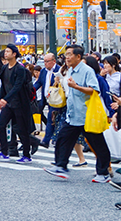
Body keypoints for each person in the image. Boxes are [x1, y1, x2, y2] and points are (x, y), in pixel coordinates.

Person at [45, 46, 112, 182]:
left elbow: (94, 90)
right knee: (63, 139)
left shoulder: (87, 71)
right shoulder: (70, 70)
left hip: (86, 115)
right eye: (66, 54)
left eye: (69, 54)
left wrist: (76, 87)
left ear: (78, 57)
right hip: (73, 115)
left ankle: (103, 172)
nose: (67, 57)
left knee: (98, 144)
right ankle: (60, 166)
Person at [0, 44, 35, 163]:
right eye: (5, 51)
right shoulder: (4, 68)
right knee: (1, 125)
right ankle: (4, 152)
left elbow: (17, 86)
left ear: (14, 54)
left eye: (8, 51)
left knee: (21, 129)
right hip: (9, 104)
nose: (5, 53)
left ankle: (26, 155)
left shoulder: (20, 69)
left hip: (20, 103)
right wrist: (0, 100)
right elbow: (3, 86)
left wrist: (5, 99)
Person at [39, 53, 60, 148]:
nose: (45, 63)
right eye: (44, 61)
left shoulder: (58, 70)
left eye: (47, 61)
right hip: (45, 98)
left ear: (53, 61)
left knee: (51, 119)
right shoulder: (43, 71)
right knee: (47, 117)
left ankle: (46, 140)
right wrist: (31, 89)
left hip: (55, 99)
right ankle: (52, 138)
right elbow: (39, 82)